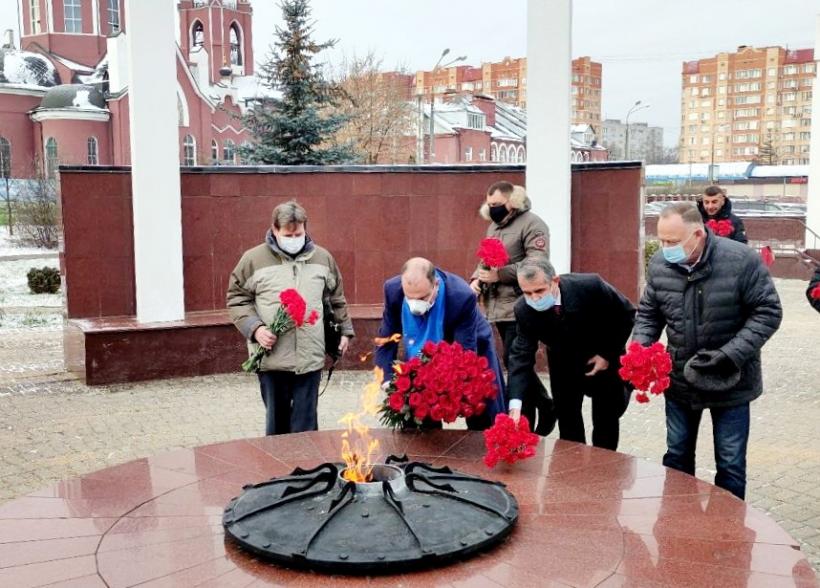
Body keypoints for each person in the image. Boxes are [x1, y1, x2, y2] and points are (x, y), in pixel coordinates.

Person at [633, 202, 782, 500]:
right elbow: (649, 313)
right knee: (676, 456)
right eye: (660, 240)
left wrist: (730, 354)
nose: (665, 248)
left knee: (730, 463)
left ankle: (728, 532)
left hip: (731, 378)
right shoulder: (661, 264)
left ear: (698, 234)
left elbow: (768, 312)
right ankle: (677, 524)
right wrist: (641, 348)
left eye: (672, 242)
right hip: (680, 381)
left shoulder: (741, 261)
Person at [227, 200, 354, 435]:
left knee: (306, 428)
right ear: (275, 230)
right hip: (272, 359)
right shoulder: (253, 259)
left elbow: (336, 298)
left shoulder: (323, 258)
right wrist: (255, 329)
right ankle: (280, 470)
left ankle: (308, 471)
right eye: (288, 234)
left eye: (299, 233)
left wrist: (345, 331)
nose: (294, 238)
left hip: (310, 359)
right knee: (278, 428)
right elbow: (237, 299)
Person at [507, 257, 636, 450]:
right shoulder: (524, 310)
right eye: (527, 293)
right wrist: (515, 406)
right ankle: (574, 470)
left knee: (606, 419)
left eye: (540, 290)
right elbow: (520, 356)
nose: (534, 298)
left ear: (555, 281)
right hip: (563, 363)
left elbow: (626, 313)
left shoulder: (589, 286)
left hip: (601, 356)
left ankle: (606, 468)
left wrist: (607, 354)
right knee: (568, 422)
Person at [375, 258, 506, 430]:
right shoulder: (393, 290)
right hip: (420, 348)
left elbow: (465, 352)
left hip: (472, 341)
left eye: (422, 297)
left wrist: (446, 390)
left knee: (481, 406)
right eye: (410, 298)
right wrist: (386, 380)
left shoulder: (461, 295)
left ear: (436, 284)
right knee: (417, 404)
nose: (415, 305)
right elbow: (386, 338)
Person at [469, 181, 554, 435]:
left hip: (522, 304)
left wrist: (501, 275)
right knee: (515, 361)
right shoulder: (494, 227)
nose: (492, 209)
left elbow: (537, 265)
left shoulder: (532, 224)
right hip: (497, 305)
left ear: (512, 201)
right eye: (489, 205)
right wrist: (477, 280)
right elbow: (485, 262)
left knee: (516, 361)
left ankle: (525, 419)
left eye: (497, 204)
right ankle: (545, 405)